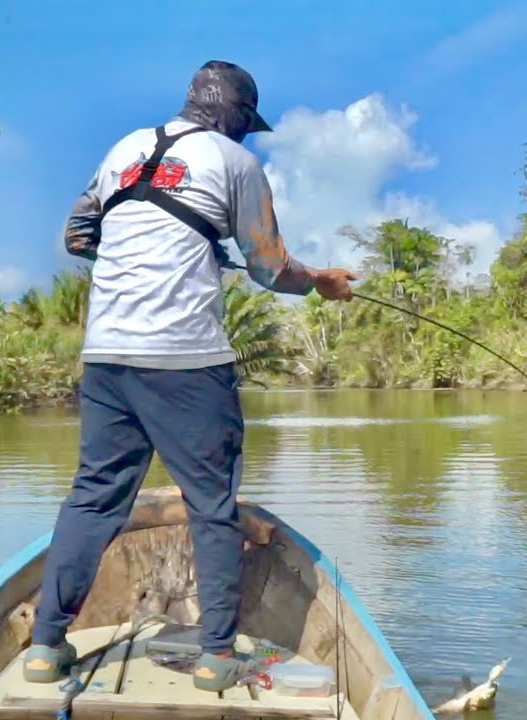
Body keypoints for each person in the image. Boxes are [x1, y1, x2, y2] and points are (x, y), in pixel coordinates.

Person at [22, 60, 358, 693]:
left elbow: (77, 235)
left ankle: (44, 646)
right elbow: (269, 268)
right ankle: (215, 656)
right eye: (246, 126)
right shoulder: (236, 164)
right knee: (211, 503)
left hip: (107, 357)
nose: (246, 137)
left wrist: (150, 247)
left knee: (94, 498)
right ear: (234, 117)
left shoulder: (124, 148)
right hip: (186, 361)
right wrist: (322, 283)